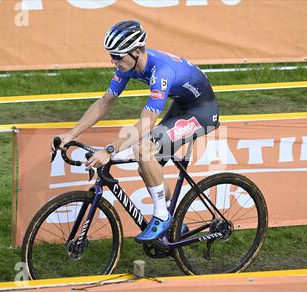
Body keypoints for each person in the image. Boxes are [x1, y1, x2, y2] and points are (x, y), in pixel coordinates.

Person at [53, 20, 219, 243]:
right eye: (111, 55)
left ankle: (162, 216)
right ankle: (175, 220)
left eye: (117, 56)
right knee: (146, 165)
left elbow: (146, 124)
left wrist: (110, 150)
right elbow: (104, 103)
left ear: (137, 51)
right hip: (182, 104)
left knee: (143, 148)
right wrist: (71, 134)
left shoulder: (161, 72)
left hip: (202, 112)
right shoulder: (128, 66)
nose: (113, 61)